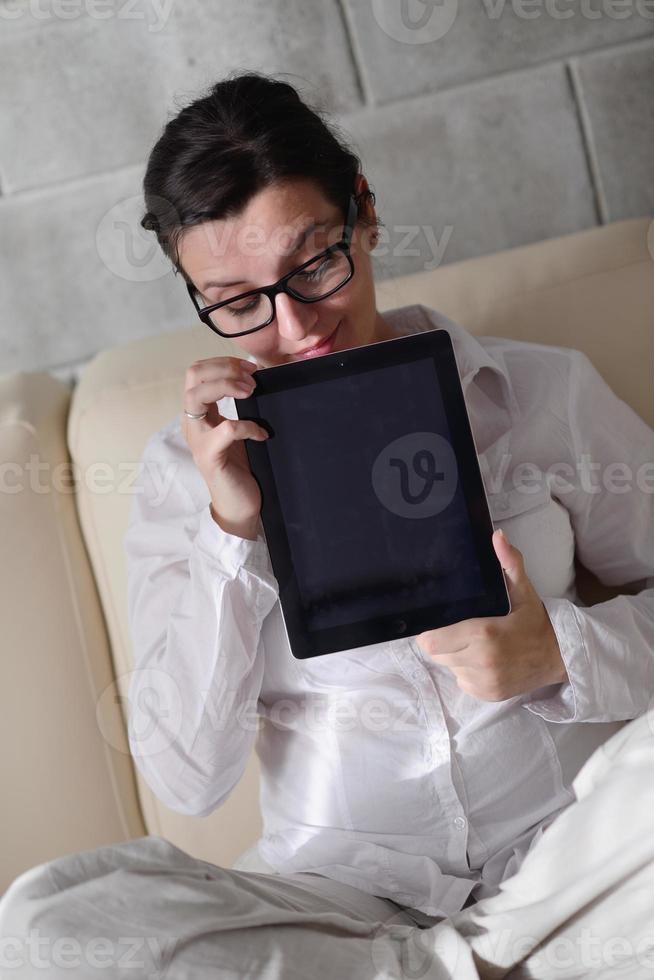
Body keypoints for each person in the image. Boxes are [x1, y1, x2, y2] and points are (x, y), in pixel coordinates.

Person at [2, 70, 654, 979]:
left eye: (315, 264)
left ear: (366, 215)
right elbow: (189, 777)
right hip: (334, 904)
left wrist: (560, 655)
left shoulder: (542, 394)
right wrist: (230, 533)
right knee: (45, 924)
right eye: (239, 302)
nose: (297, 325)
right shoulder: (175, 477)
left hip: (567, 861)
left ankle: (479, 959)